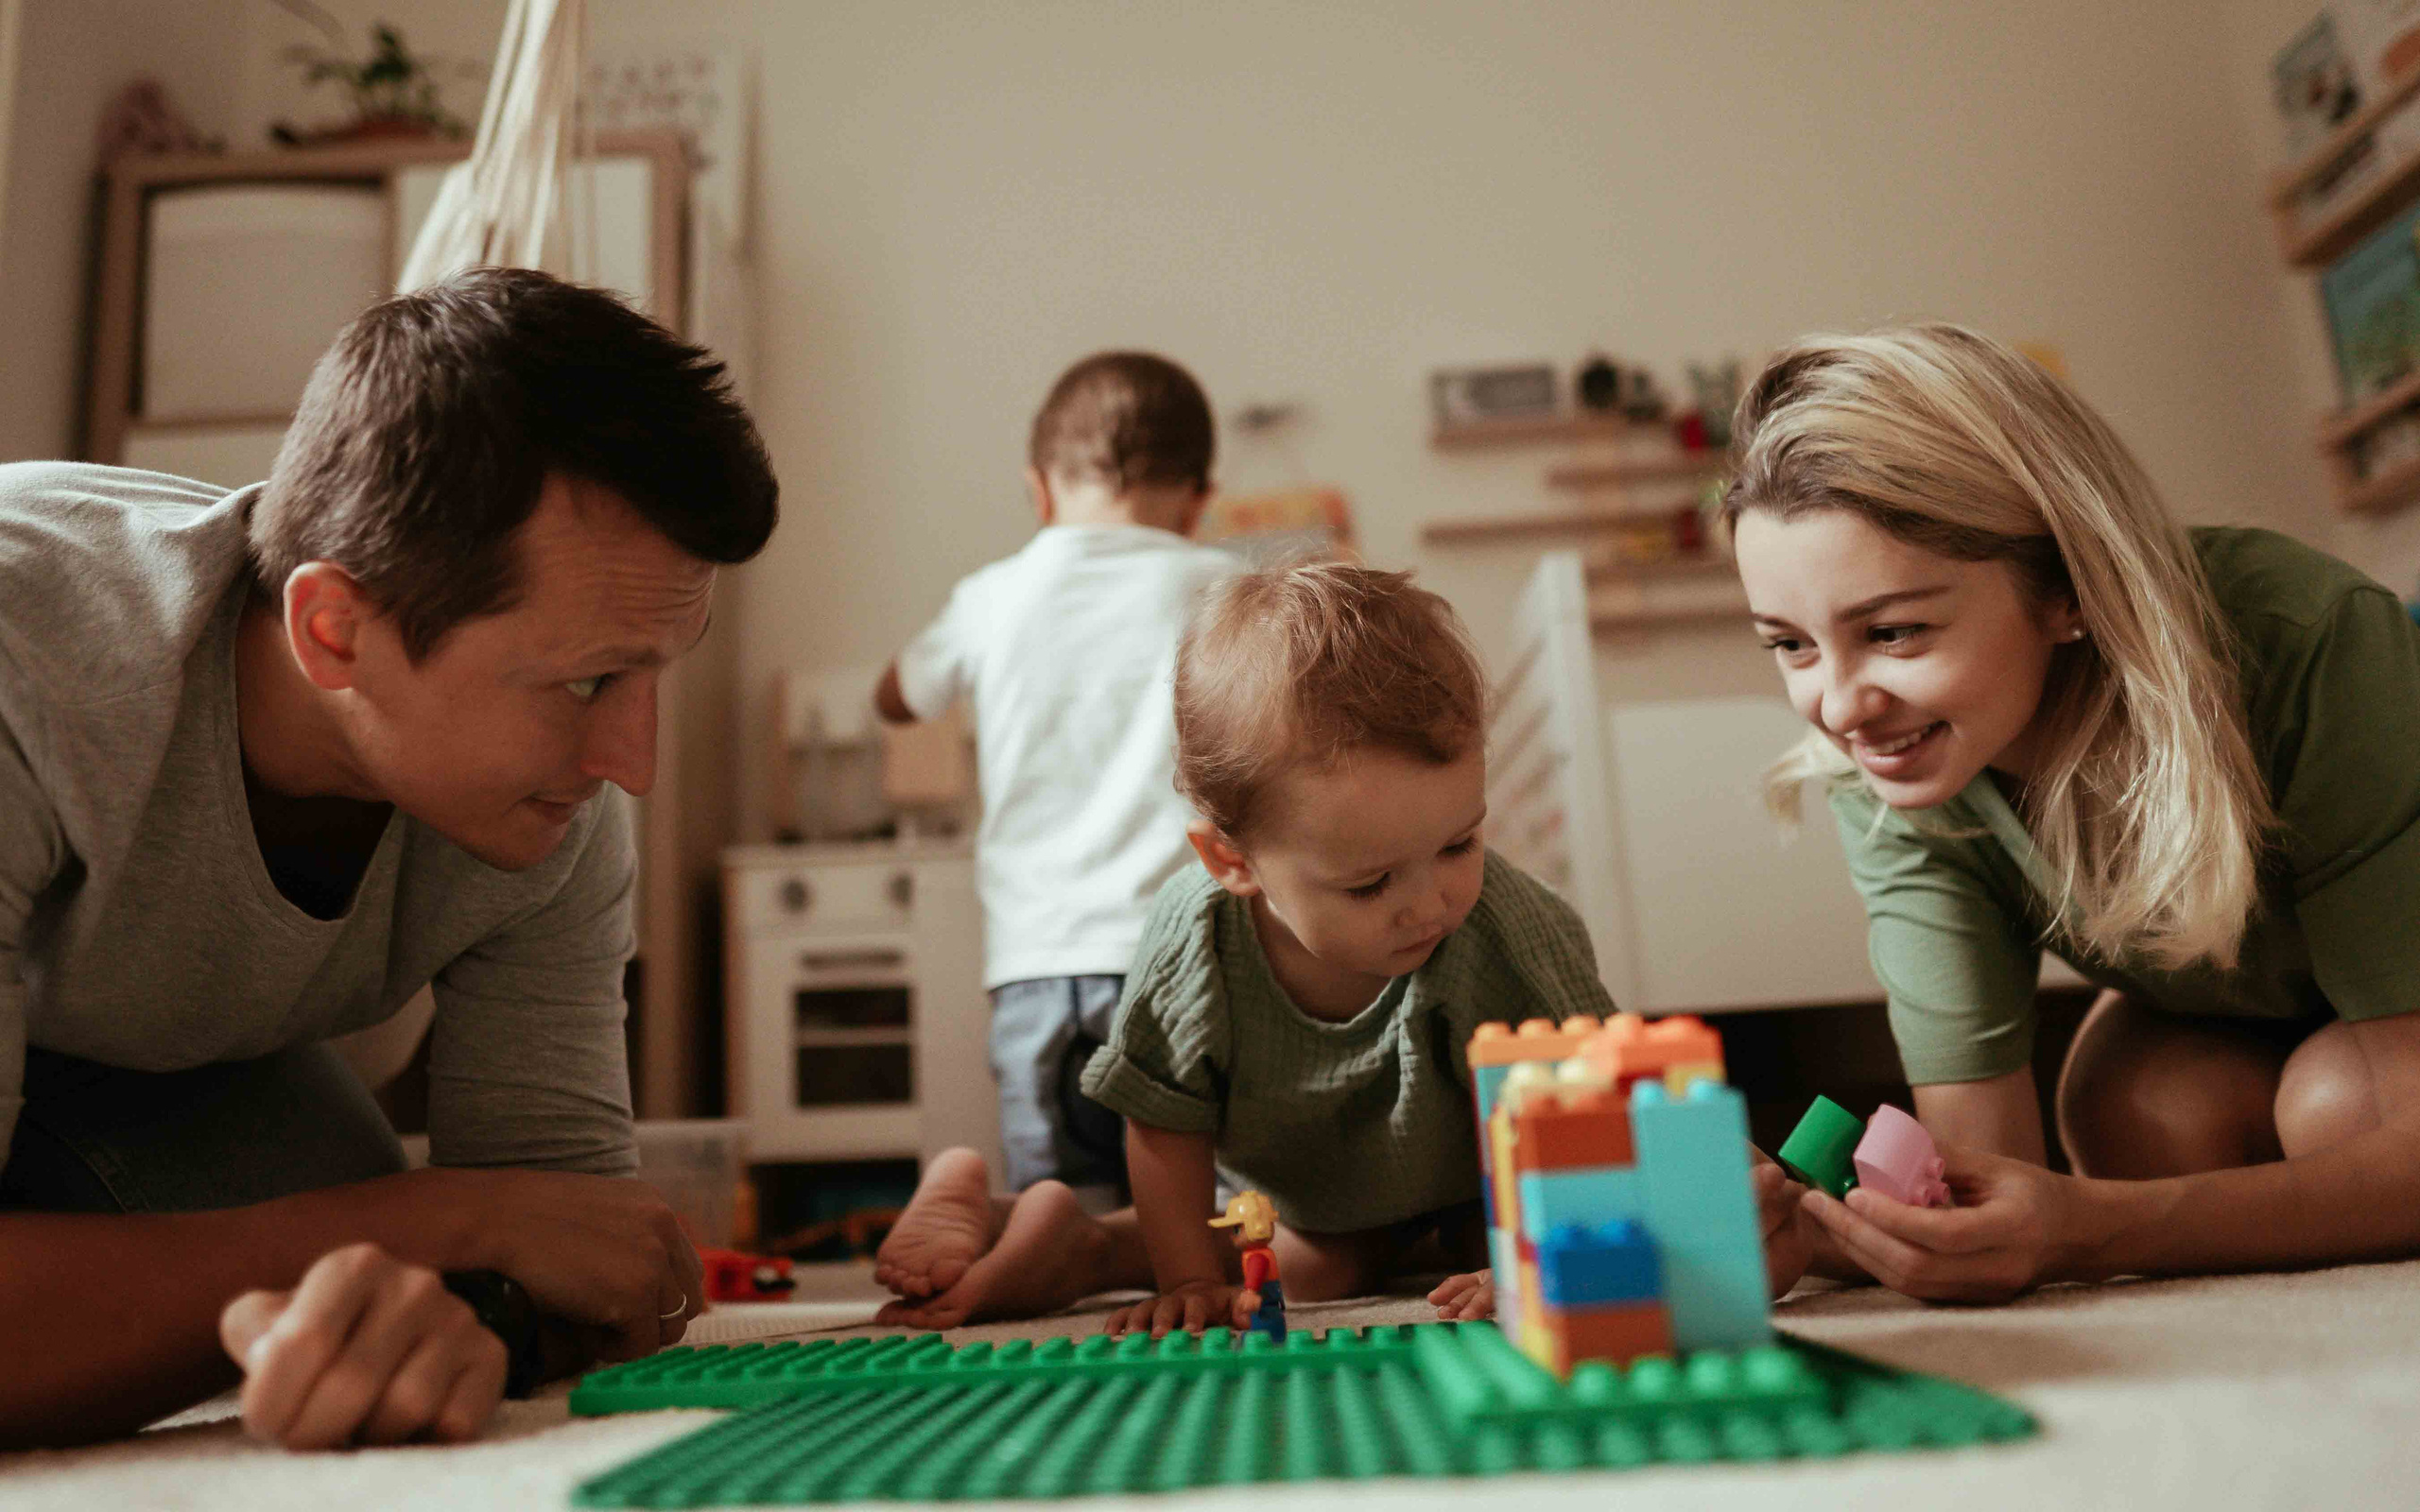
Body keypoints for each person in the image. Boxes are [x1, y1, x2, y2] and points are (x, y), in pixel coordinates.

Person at [0, 267, 778, 1449]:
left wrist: (483, 1296)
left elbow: (582, 1254)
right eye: (585, 681)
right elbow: (482, 1219)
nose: (634, 761)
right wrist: (434, 1218)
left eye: (655, 672)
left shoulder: (555, 805)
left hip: (145, 1061)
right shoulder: (34, 676)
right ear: (334, 632)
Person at [1728, 323, 2420, 1302]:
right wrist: (1811, 1232)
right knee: (2140, 1115)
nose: (1838, 708)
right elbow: (1973, 1174)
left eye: (1892, 632)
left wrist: (2089, 1230)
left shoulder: (2307, 642)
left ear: (2067, 586)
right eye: (1791, 646)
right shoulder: (1888, 763)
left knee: (2340, 1110)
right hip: (2243, 1009)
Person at [873, 561, 1618, 1332]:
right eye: (1370, 885)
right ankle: (1059, 1236)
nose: (1432, 903)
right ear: (1233, 862)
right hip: (1306, 1203)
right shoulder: (1196, 938)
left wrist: (1545, 1253)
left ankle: (1078, 1241)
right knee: (1305, 1259)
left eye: (1461, 843)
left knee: (1401, 1256)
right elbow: (1165, 1118)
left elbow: (1590, 1092)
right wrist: (1189, 1278)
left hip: (1469, 1189)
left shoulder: (1506, 922)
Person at [869, 352, 1232, 1230]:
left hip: (1036, 960)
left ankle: (1026, 1231)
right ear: (1196, 499)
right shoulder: (1222, 588)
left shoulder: (993, 597)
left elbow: (896, 697)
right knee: (1213, 1208)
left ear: (1039, 491)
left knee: (1063, 1197)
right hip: (1191, 950)